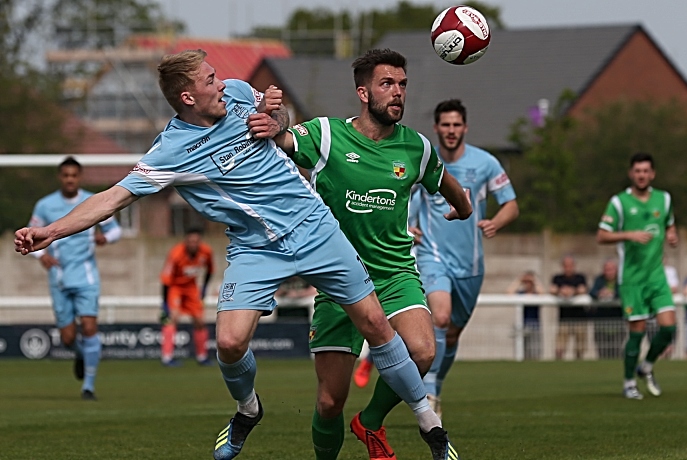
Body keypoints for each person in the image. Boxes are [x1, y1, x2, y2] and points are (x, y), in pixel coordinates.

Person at [15, 49, 438, 460]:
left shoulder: (236, 92)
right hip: (256, 248)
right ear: (187, 97)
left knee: (375, 323)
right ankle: (248, 409)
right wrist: (50, 232)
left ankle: (430, 425)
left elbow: (280, 118)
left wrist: (277, 116)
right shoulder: (170, 151)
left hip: (315, 227)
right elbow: (112, 199)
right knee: (230, 343)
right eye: (210, 80)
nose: (222, 83)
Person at [274, 49, 471, 460]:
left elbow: (448, 185)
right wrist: (277, 123)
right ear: (363, 92)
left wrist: (464, 208)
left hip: (394, 275)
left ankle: (371, 421)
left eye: (402, 84)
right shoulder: (327, 135)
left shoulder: (415, 147)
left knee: (423, 350)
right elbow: (284, 140)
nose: (397, 93)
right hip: (338, 280)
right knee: (329, 403)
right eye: (387, 84)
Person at [411, 98, 519, 419]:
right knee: (440, 318)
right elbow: (403, 195)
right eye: (445, 125)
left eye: (456, 125)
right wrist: (408, 227)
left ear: (465, 128)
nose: (451, 130)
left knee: (454, 332)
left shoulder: (485, 163)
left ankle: (437, 386)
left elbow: (511, 203)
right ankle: (429, 394)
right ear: (436, 128)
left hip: (471, 266)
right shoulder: (425, 160)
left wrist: (496, 222)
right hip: (433, 257)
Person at [27, 156, 122, 400]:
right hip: (58, 277)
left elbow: (115, 230)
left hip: (86, 276)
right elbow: (31, 239)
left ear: (79, 177)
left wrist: (105, 238)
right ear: (60, 177)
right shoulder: (45, 206)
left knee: (90, 327)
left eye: (74, 175)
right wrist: (40, 257)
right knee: (68, 337)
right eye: (65, 175)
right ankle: (80, 353)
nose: (70, 179)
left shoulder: (92, 201)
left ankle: (88, 387)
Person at [597, 152, 678, 400]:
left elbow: (670, 224)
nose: (641, 175)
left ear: (652, 174)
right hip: (632, 278)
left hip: (657, 276)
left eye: (646, 171)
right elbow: (602, 235)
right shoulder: (619, 202)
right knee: (637, 332)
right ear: (631, 173)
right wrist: (629, 235)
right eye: (637, 171)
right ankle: (629, 381)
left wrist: (672, 236)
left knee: (668, 328)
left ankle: (647, 366)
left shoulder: (663, 199)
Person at [160, 227, 214, 366]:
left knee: (200, 321)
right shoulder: (176, 254)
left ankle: (202, 357)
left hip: (192, 288)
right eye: (190, 241)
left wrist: (204, 289)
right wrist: (165, 304)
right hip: (175, 287)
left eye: (196, 241)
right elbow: (165, 280)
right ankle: (167, 357)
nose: (193, 244)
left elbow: (210, 270)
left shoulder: (206, 252)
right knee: (173, 318)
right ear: (186, 241)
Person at [550, 255, 589, 360]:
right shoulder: (557, 278)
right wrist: (561, 291)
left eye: (570, 265)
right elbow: (552, 290)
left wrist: (573, 291)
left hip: (580, 318)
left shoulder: (580, 277)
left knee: (580, 348)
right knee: (560, 347)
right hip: (564, 318)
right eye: (566, 266)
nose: (568, 268)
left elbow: (582, 290)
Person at [589, 259, 624, 359]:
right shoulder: (599, 279)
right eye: (606, 269)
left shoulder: (621, 280)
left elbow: (624, 292)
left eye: (611, 269)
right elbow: (592, 292)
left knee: (616, 352)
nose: (609, 272)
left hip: (617, 322)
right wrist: (599, 293)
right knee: (602, 352)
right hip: (601, 322)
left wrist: (613, 294)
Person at [506, 271, 545, 360]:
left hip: (534, 325)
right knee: (522, 351)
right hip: (522, 325)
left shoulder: (536, 294)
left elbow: (542, 293)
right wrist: (519, 280)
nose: (528, 284)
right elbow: (509, 293)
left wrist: (535, 281)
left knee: (535, 352)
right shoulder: (521, 294)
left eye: (529, 282)